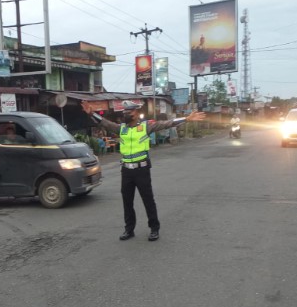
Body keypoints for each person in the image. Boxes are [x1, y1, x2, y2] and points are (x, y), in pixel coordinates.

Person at [82, 100, 206, 241]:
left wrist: (186, 119)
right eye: (124, 112)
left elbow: (167, 123)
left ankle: (154, 229)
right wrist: (91, 113)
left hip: (142, 170)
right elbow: (104, 123)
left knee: (148, 200)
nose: (126, 114)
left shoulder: (145, 126)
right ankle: (129, 230)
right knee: (127, 202)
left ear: (136, 113)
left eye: (129, 112)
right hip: (126, 171)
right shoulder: (121, 128)